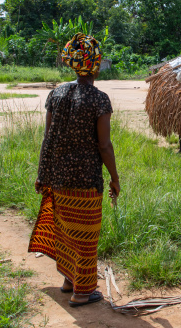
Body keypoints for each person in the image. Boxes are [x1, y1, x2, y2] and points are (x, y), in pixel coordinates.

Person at [28, 33, 120, 307]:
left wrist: (42, 174)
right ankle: (83, 292)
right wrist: (115, 178)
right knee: (86, 237)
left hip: (58, 178)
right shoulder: (99, 99)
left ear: (72, 64)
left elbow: (48, 138)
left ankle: (69, 281)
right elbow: (104, 146)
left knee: (67, 232)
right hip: (86, 181)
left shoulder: (55, 94)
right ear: (96, 64)